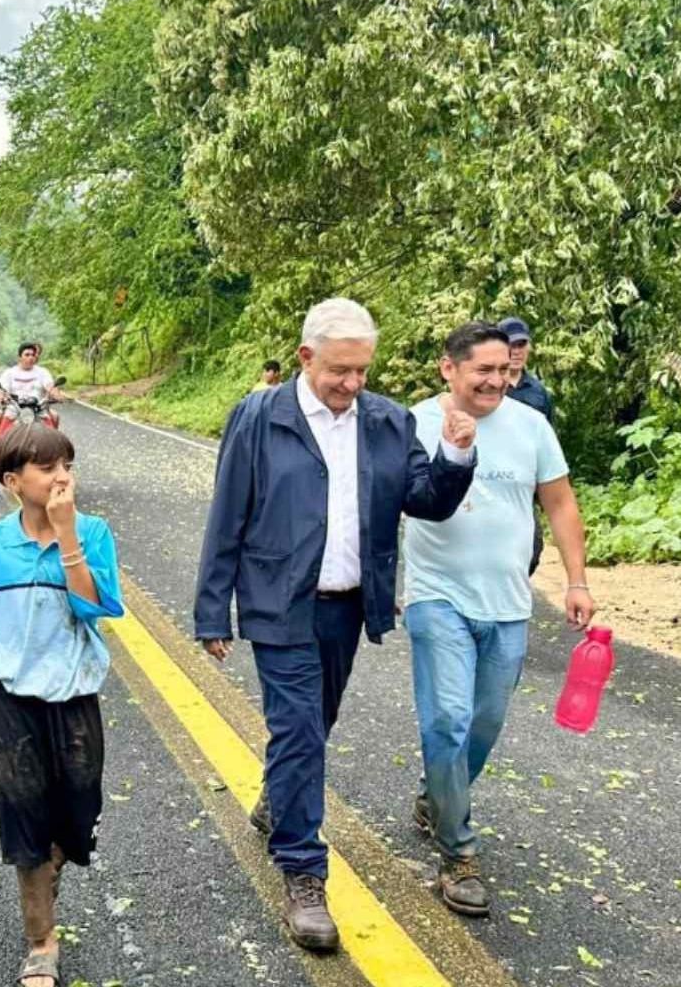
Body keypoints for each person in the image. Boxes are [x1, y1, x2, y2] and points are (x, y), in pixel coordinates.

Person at [194, 297, 476, 954]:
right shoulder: (261, 417)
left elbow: (425, 499)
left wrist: (456, 455)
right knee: (298, 729)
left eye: (362, 372)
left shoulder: (385, 421)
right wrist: (214, 609)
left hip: (348, 605)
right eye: (339, 371)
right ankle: (303, 871)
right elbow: (227, 515)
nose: (352, 384)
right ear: (305, 358)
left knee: (314, 723)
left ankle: (278, 796)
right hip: (277, 601)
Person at [403, 322, 596, 917]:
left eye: (504, 371)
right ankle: (458, 854)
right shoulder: (413, 423)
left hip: (510, 603)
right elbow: (388, 500)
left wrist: (577, 579)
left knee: (483, 724)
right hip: (436, 595)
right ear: (448, 369)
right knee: (449, 720)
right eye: (482, 370)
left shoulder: (531, 426)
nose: (495, 381)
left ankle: (438, 797)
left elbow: (560, 503)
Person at [0, 424, 123, 987]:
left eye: (67, 464)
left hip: (74, 704)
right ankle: (40, 944)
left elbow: (94, 609)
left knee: (74, 815)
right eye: (48, 467)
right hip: (9, 704)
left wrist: (67, 537)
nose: (62, 476)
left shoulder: (93, 533)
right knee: (23, 819)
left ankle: (49, 868)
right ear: (11, 480)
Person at [498, 316, 554, 575]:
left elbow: (548, 440)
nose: (517, 351)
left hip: (526, 480)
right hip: (491, 477)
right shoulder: (489, 386)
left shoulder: (538, 392)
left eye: (522, 345)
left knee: (532, 548)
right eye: (512, 345)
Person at [0, 341, 70, 408]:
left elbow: (49, 386)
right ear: (19, 357)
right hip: (14, 410)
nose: (30, 357)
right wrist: (0, 397)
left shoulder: (43, 372)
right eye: (27, 355)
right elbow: (2, 389)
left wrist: (56, 395)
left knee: (54, 417)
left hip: (39, 409)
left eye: (33, 355)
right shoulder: (9, 373)